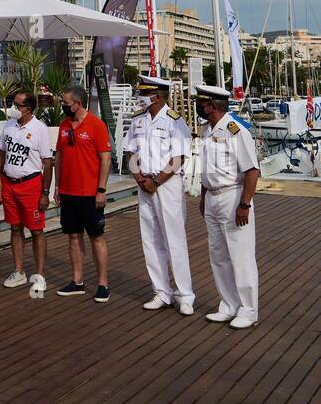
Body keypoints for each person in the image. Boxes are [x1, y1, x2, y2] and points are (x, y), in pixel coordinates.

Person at [123, 75, 194, 314]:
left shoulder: (176, 121)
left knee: (174, 240)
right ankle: (161, 292)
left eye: (144, 93)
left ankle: (184, 295)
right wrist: (139, 178)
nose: (140, 98)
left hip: (168, 185)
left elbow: (178, 158)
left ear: (157, 96)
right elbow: (130, 151)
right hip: (145, 184)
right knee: (151, 240)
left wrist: (156, 181)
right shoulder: (138, 121)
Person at [195, 84, 260, 329]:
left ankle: (249, 309)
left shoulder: (235, 130)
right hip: (212, 197)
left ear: (213, 105)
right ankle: (229, 304)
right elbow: (206, 168)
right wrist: (203, 196)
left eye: (202, 103)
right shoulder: (206, 130)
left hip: (233, 197)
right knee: (219, 255)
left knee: (240, 256)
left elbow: (252, 170)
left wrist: (245, 204)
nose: (199, 107)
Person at [53, 84, 112, 303]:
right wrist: (58, 187)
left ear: (78, 103)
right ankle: (77, 281)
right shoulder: (64, 126)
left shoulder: (96, 125)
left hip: (90, 193)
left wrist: (101, 189)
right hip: (68, 192)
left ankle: (103, 284)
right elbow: (59, 156)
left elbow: (105, 159)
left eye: (66, 103)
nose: (63, 106)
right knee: (73, 236)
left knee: (96, 237)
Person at [0, 89, 52, 293]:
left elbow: (48, 162)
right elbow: (1, 153)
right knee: (15, 228)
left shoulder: (40, 129)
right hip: (9, 183)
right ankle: (19, 271)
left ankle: (40, 275)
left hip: (31, 184)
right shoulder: (8, 126)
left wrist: (45, 193)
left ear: (27, 109)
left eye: (17, 105)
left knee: (36, 230)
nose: (13, 108)